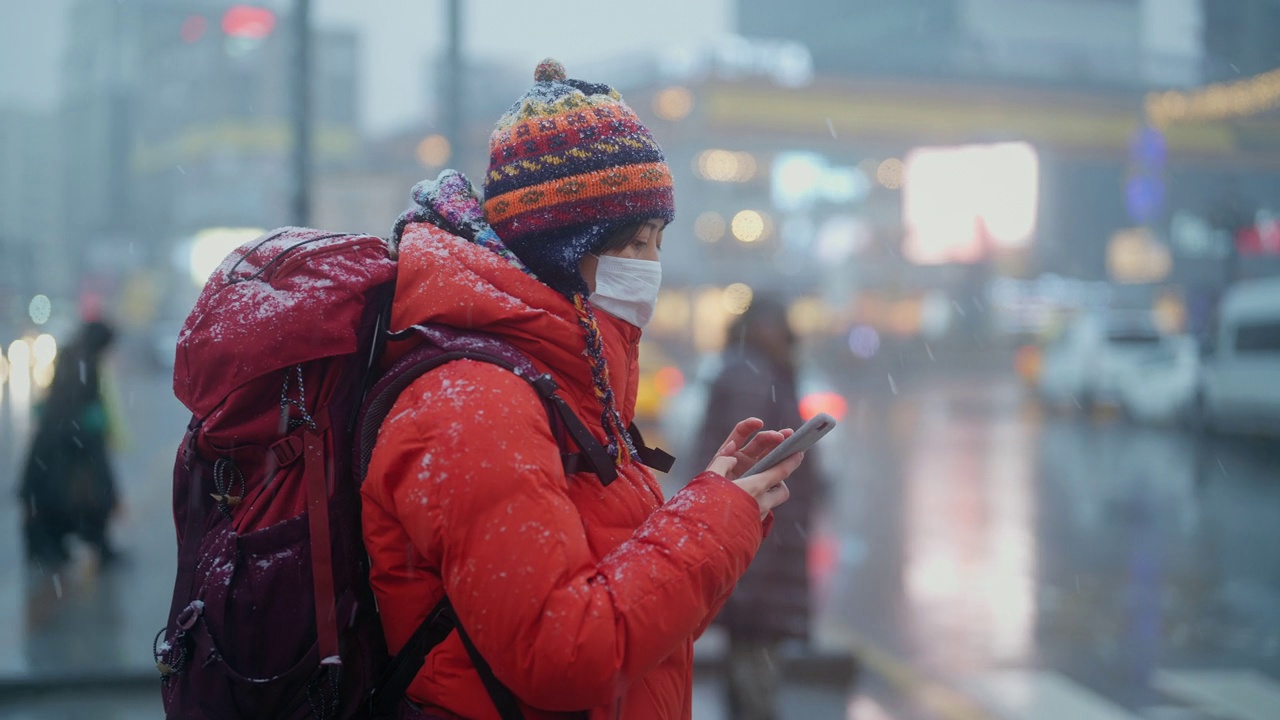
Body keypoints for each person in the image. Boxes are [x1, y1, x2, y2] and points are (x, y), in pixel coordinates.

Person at [361, 59, 808, 719]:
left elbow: (635, 624)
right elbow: (566, 655)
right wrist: (711, 524)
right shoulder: (478, 407)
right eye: (632, 242)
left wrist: (716, 506)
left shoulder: (557, 387)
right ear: (561, 251)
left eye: (657, 240)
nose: (650, 267)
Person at [694, 296, 820, 720]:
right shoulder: (751, 374)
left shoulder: (755, 370)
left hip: (766, 543)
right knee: (754, 677)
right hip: (762, 545)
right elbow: (744, 469)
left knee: (750, 666)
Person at [18, 320, 123, 569]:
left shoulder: (73, 355)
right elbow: (77, 404)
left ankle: (53, 548)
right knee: (89, 496)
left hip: (55, 442)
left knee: (54, 498)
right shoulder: (84, 361)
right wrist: (89, 431)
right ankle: (88, 548)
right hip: (69, 443)